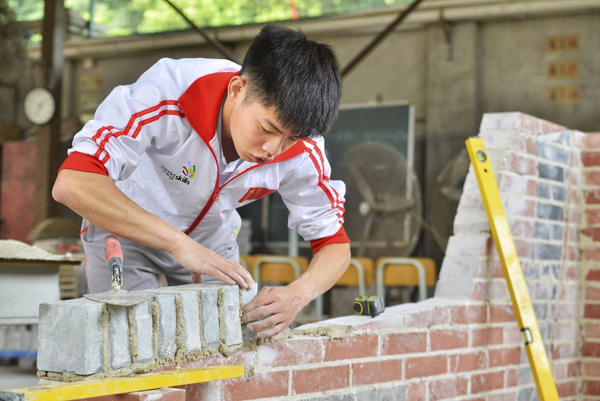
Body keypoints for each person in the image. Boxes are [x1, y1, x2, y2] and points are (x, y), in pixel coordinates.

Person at [53, 25, 350, 339]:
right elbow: (74, 182)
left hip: (211, 240)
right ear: (237, 89)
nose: (274, 150)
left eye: (292, 139)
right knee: (129, 343)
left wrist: (298, 295)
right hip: (126, 227)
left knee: (227, 342)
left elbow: (335, 245)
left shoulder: (304, 148)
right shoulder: (169, 92)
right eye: (267, 129)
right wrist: (178, 244)